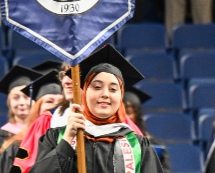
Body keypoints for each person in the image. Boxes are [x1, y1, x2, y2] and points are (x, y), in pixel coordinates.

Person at [30, 45, 163, 173]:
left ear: (120, 95)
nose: (105, 94)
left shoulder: (139, 145)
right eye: (97, 87)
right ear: (84, 92)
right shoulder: (55, 138)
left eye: (113, 89)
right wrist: (67, 141)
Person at [0, 65, 43, 173]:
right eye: (16, 98)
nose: (21, 102)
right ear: (9, 103)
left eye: (26, 97)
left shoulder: (42, 134)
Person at [0, 70, 65, 173]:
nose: (55, 107)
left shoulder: (70, 144)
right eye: (49, 102)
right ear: (37, 108)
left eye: (61, 102)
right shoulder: (15, 148)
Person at [123, 86, 172, 173]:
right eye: (120, 112)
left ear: (137, 115)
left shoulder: (154, 143)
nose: (124, 117)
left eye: (129, 112)